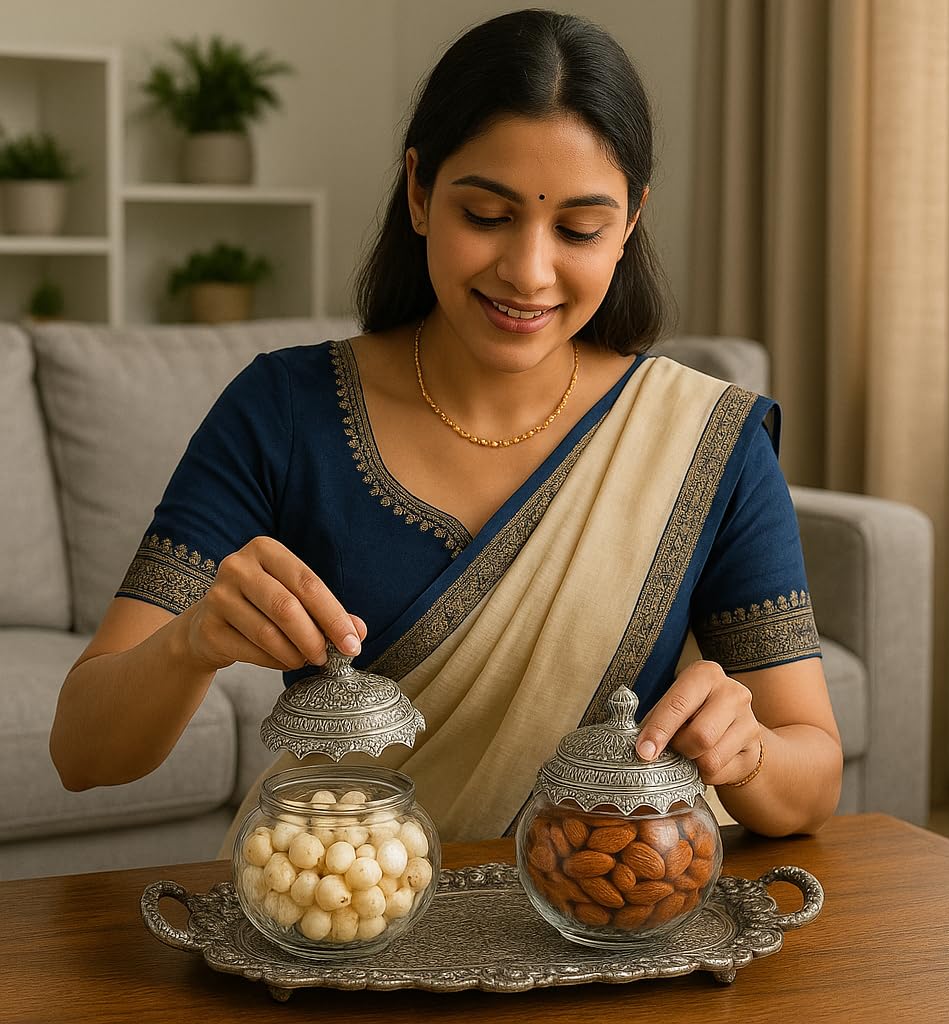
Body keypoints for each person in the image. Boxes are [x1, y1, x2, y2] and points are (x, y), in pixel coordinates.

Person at [49, 9, 842, 849]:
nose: (528, 272)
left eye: (578, 229)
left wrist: (748, 752)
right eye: (488, 216)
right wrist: (191, 643)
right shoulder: (282, 410)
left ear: (630, 224)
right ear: (420, 193)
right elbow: (81, 750)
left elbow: (813, 776)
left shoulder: (702, 441)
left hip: (593, 913)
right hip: (336, 905)